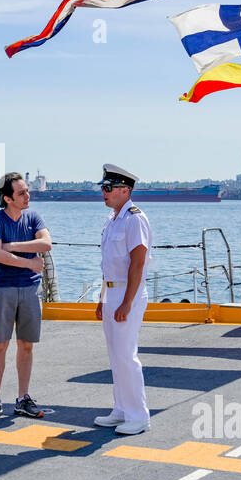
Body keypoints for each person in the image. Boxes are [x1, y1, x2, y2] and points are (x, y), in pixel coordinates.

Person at [0, 172, 52, 421]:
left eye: (27, 191)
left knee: (27, 345)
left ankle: (23, 398)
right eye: (21, 193)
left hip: (31, 290)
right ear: (7, 198)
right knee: (0, 344)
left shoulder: (33, 217)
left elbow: (46, 244)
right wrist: (29, 264)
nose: (27, 196)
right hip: (3, 288)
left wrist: (11, 246)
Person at [93, 164, 153, 436]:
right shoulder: (113, 219)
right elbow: (109, 264)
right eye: (103, 188)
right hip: (111, 291)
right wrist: (102, 298)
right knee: (115, 355)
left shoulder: (134, 218)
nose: (103, 193)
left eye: (108, 188)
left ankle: (138, 416)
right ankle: (121, 409)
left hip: (128, 292)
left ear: (124, 190)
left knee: (127, 355)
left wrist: (126, 302)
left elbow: (137, 264)